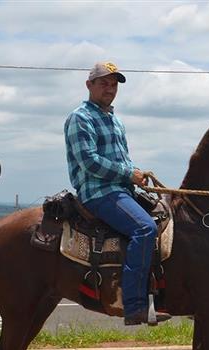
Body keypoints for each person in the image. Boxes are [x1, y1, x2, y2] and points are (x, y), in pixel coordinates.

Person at [64, 62, 170, 326]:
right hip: (98, 192)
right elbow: (89, 161)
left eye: (113, 85)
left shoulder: (115, 120)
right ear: (89, 85)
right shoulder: (80, 118)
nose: (110, 89)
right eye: (104, 83)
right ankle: (134, 306)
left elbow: (122, 161)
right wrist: (128, 174)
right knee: (144, 229)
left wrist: (135, 174)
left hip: (122, 190)